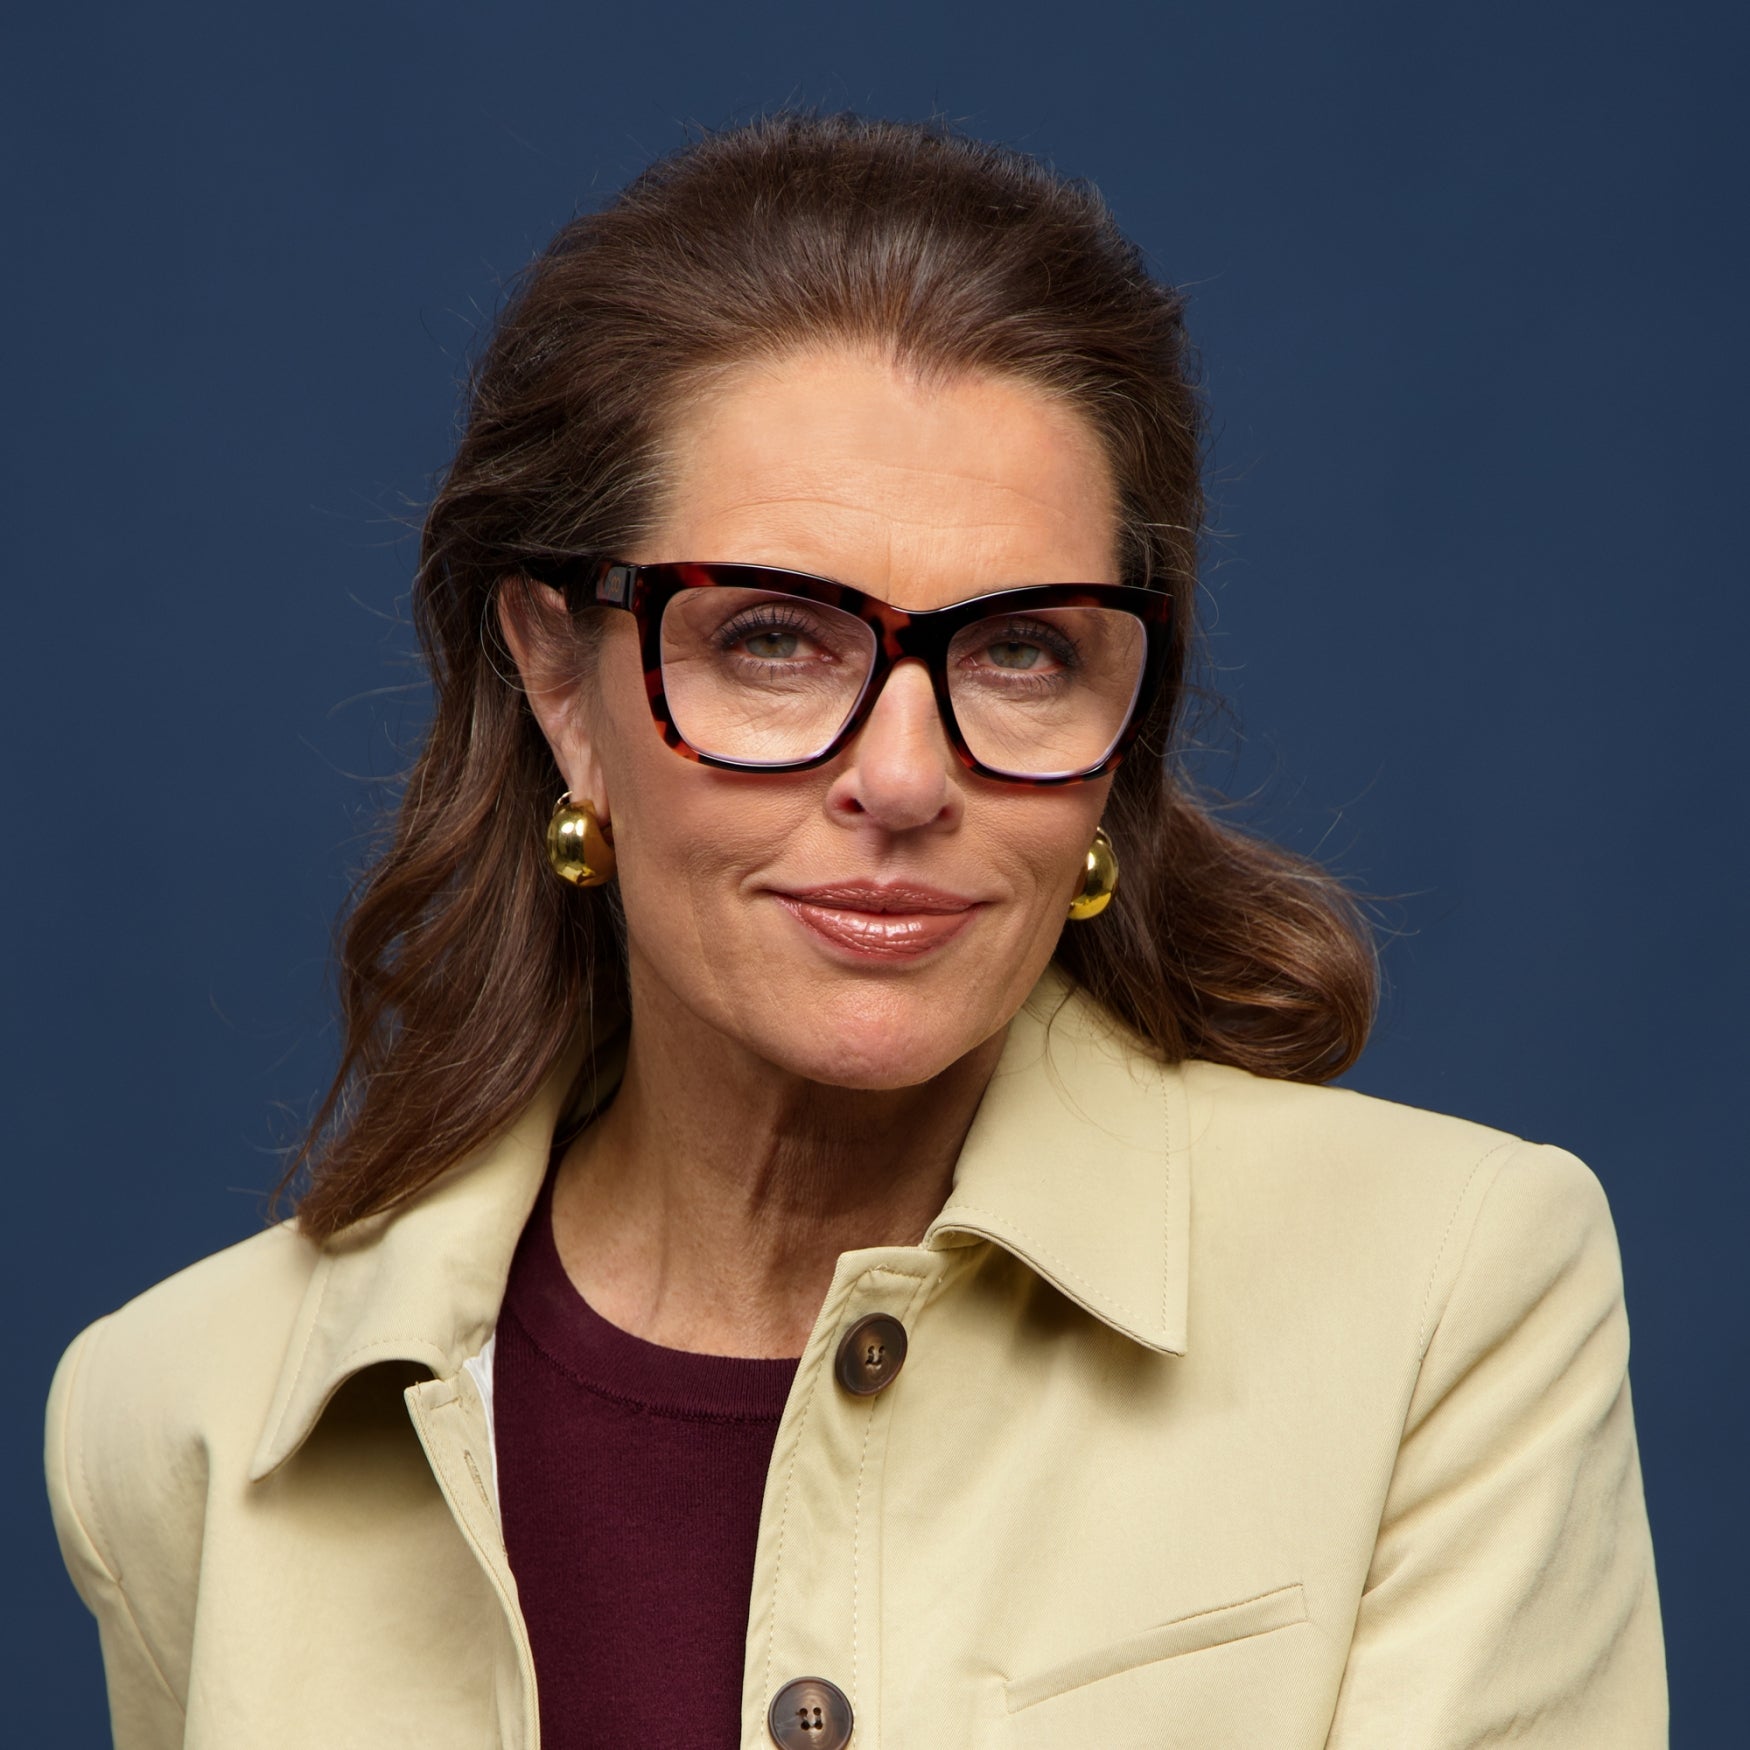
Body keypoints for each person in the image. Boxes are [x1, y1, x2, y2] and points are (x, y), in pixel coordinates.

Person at [44, 114, 1665, 1749]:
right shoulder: (184, 1415)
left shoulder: (1440, 1291)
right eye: (772, 639)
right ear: (557, 683)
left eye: (1023, 650)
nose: (902, 777)